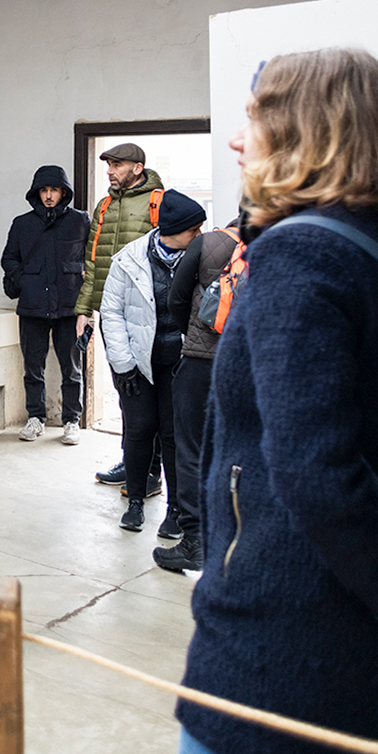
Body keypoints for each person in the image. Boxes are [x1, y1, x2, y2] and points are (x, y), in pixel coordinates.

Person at [179, 48, 378, 754]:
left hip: (292, 653)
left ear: (305, 132)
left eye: (254, 121)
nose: (237, 140)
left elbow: (317, 474)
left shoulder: (303, 256)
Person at [99, 190, 203, 534]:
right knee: (139, 431)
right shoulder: (128, 260)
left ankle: (176, 511)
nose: (199, 235)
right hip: (137, 364)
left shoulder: (200, 258)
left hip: (180, 364)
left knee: (175, 436)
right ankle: (135, 502)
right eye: (194, 230)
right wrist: (123, 363)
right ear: (174, 229)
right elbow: (111, 314)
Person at [75, 143, 166, 495]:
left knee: (150, 398)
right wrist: (85, 309)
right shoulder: (105, 205)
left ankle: (151, 472)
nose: (110, 171)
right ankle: (133, 462)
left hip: (150, 315)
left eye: (117, 164)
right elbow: (92, 263)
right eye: (109, 165)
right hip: (113, 316)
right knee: (126, 393)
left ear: (138, 168)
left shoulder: (158, 201)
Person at [154, 217, 241, 571]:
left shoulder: (207, 243)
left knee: (190, 449)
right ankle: (231, 539)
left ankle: (193, 542)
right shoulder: (278, 243)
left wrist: (193, 333)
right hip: (245, 362)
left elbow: (176, 298)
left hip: (201, 361)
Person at [0, 165, 90, 444]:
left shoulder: (81, 220)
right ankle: (35, 418)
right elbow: (9, 258)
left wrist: (83, 274)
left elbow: (93, 255)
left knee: (72, 368)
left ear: (64, 192)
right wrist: (25, 280)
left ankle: (71, 421)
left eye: (54, 190)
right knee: (32, 366)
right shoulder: (22, 223)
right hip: (33, 305)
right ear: (36, 193)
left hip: (69, 306)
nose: (49, 196)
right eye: (44, 190)